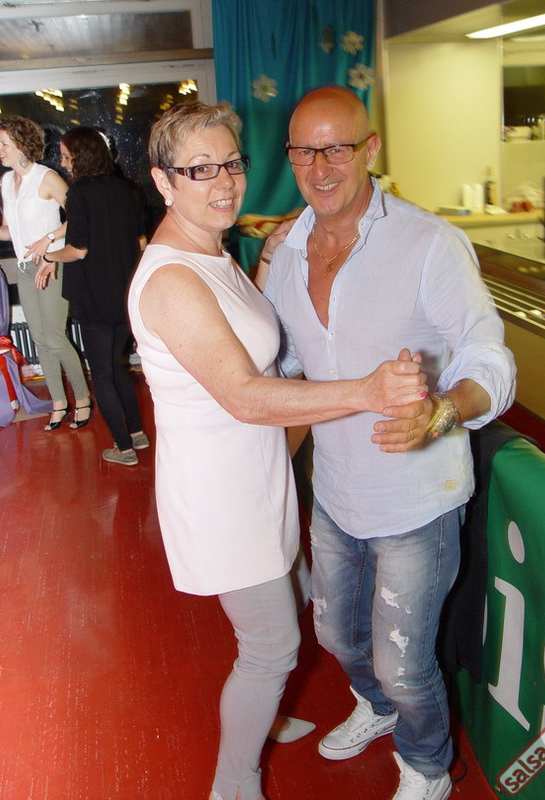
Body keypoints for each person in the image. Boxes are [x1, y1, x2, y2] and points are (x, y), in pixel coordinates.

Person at [126, 101, 427, 800]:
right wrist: (366, 391)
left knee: (285, 611)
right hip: (223, 498)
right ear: (163, 181)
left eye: (232, 163)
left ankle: (261, 714)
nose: (224, 182)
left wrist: (266, 260)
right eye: (200, 169)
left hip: (261, 476)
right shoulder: (172, 278)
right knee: (271, 647)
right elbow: (244, 395)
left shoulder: (213, 252)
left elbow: (248, 335)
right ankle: (233, 785)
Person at [258, 86, 516, 800]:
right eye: (304, 151)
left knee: (405, 663)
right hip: (335, 490)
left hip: (417, 497)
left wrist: (443, 411)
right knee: (337, 635)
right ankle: (374, 708)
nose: (320, 167)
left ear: (370, 148)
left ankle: (428, 765)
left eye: (337, 148)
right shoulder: (287, 252)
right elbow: (285, 363)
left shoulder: (429, 243)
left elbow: (490, 359)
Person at [37, 127, 149, 465]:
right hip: (124, 293)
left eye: (66, 156)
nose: (62, 162)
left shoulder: (80, 194)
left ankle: (123, 449)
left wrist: (48, 256)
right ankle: (137, 434)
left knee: (101, 372)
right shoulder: (128, 190)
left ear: (80, 157)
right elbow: (141, 242)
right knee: (116, 366)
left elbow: (78, 250)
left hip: (94, 295)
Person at [0, 115, 91, 431]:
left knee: (55, 337)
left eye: (4, 143)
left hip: (52, 264)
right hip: (25, 268)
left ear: (21, 144)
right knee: (41, 340)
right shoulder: (7, 182)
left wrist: (50, 238)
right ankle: (59, 403)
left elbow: (80, 217)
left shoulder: (46, 177)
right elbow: (12, 231)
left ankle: (82, 399)